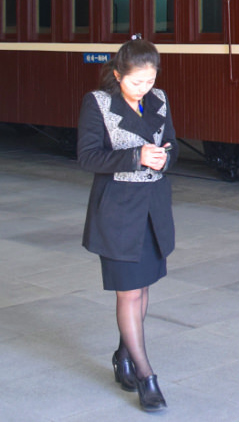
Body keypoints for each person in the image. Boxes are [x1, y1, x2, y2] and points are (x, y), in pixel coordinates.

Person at [77, 38, 175, 412]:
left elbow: (173, 146)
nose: (144, 88)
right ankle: (146, 375)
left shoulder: (159, 99)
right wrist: (136, 157)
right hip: (117, 213)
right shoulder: (98, 104)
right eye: (136, 82)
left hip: (152, 210)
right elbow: (87, 157)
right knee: (128, 293)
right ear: (118, 75)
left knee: (142, 288)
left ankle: (123, 355)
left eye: (149, 80)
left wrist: (163, 159)